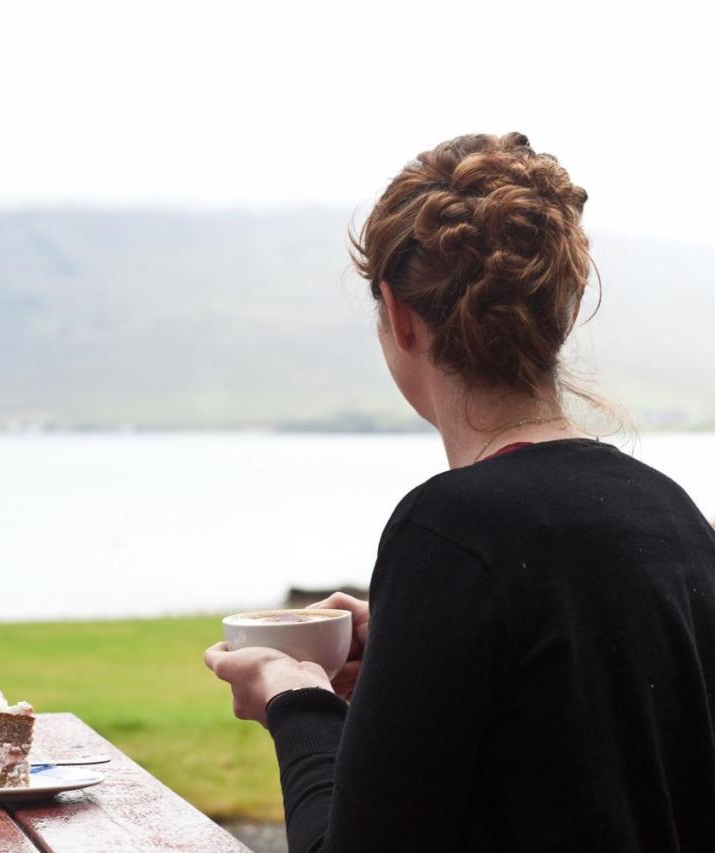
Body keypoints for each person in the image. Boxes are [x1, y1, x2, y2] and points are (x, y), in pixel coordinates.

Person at [204, 132, 715, 852]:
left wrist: (296, 699)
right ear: (564, 314)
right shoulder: (675, 517)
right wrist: (414, 641)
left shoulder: (451, 529)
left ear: (399, 315)